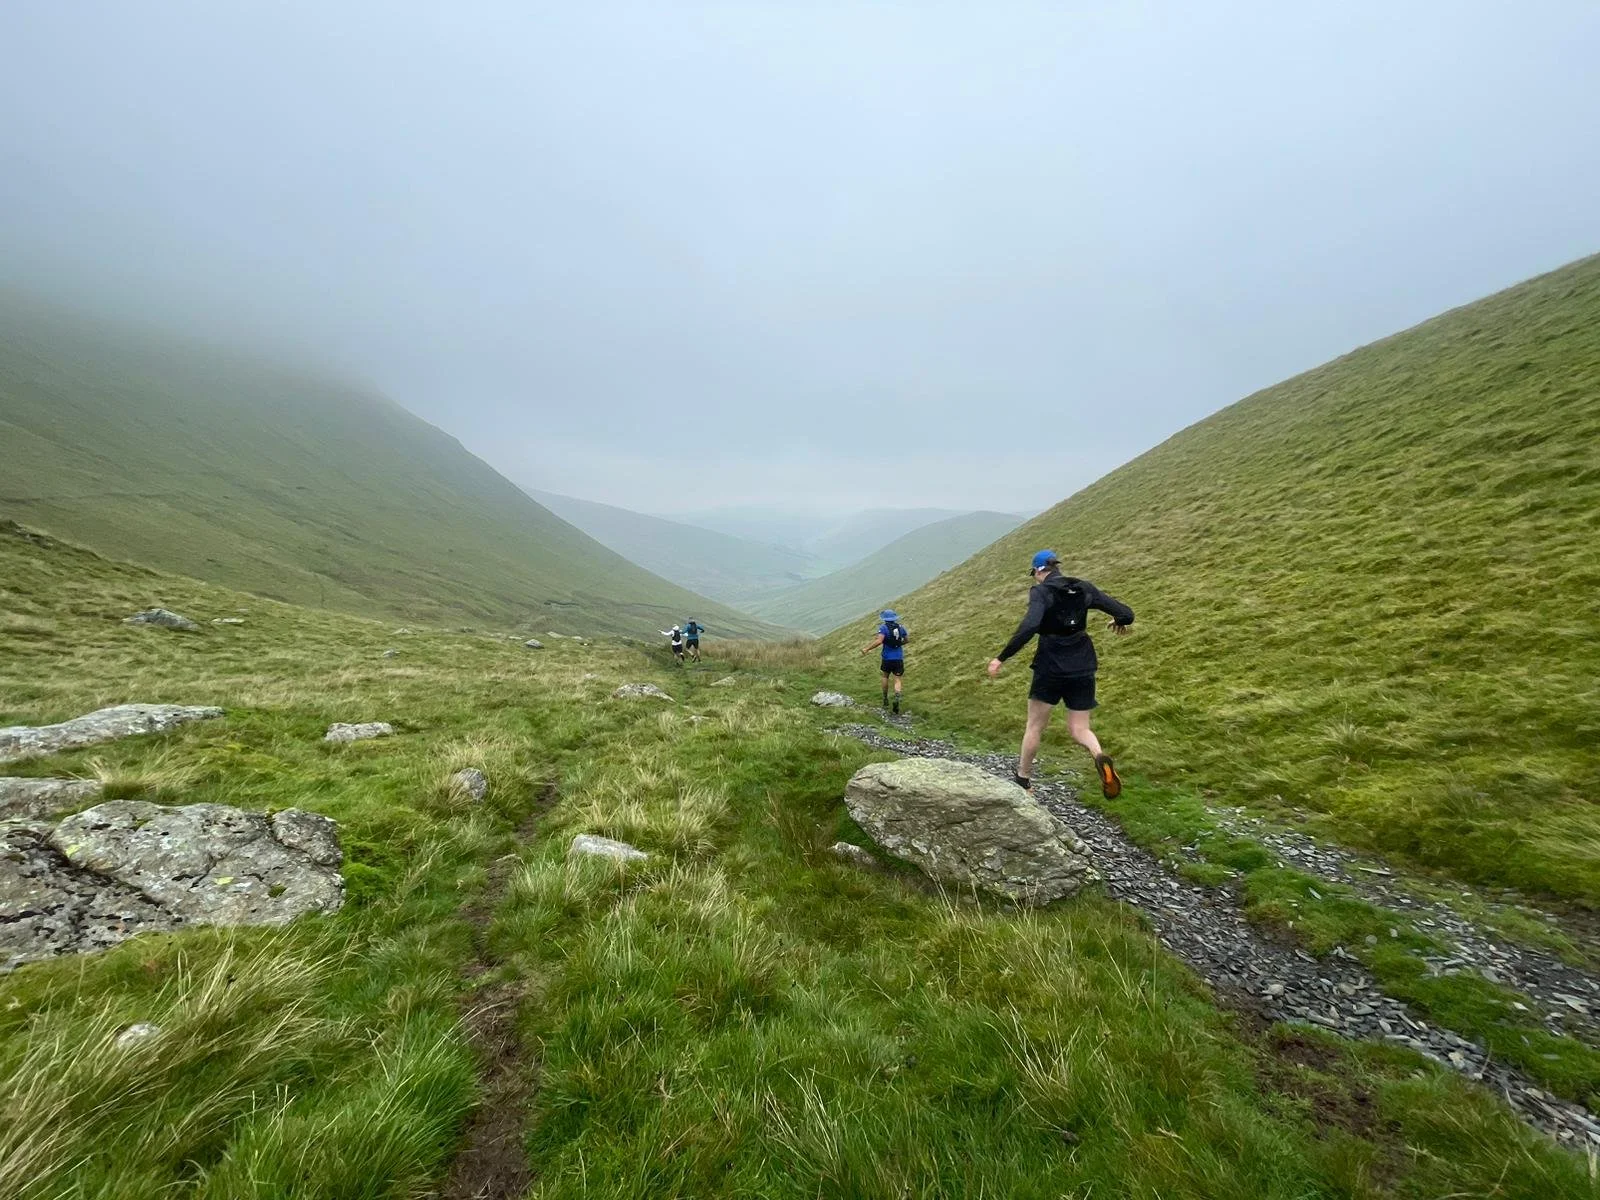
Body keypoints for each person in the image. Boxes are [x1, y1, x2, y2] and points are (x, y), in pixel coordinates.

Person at [986, 550, 1134, 797]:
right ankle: (1099, 756)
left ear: (1040, 571)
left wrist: (1001, 657)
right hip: (1083, 664)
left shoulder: (1042, 592)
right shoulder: (1083, 588)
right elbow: (1126, 613)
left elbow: (1030, 625)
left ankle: (1023, 779)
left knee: (1034, 726)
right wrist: (1118, 621)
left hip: (1050, 665)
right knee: (1080, 729)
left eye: (1034, 573)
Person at [859, 609, 908, 713]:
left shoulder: (883, 628)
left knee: (885, 676)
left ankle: (885, 699)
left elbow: (879, 641)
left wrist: (867, 649)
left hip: (887, 658)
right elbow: (907, 640)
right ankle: (897, 696)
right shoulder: (901, 628)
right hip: (898, 657)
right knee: (897, 679)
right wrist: (898, 644)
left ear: (884, 619)